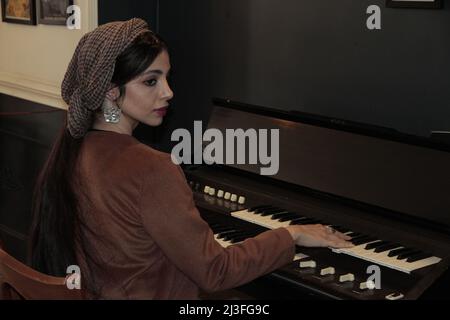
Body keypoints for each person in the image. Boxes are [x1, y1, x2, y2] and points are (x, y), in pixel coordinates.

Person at [30, 18, 352, 299]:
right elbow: (216, 271)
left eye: (167, 78)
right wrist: (290, 234)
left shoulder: (73, 149)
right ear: (111, 91)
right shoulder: (152, 169)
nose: (168, 92)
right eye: (151, 81)